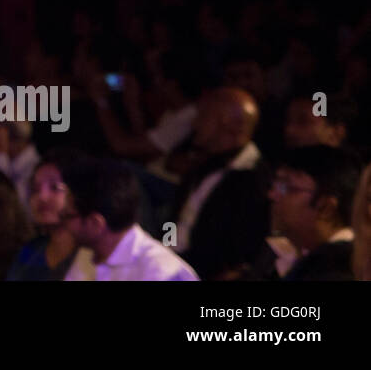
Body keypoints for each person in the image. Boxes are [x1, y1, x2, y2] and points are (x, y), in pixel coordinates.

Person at [170, 87, 270, 280]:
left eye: (203, 116)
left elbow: (238, 257)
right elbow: (175, 223)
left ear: (226, 123)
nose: (194, 123)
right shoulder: (203, 165)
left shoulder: (255, 182)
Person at [63, 158, 198, 281]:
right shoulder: (89, 251)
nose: (62, 221)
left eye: (67, 216)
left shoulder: (163, 273)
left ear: (95, 223)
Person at [254, 145, 361, 280]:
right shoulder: (314, 261)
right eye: (276, 184)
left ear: (326, 207)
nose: (272, 195)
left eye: (286, 187)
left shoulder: (340, 270)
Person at [8, 150, 81, 281]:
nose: (42, 197)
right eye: (35, 189)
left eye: (54, 187)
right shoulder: (29, 252)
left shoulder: (92, 253)